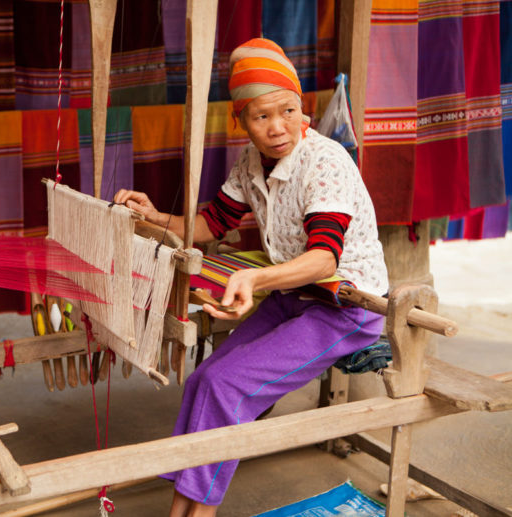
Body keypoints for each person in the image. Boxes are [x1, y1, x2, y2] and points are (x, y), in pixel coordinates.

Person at [113, 38, 388, 517]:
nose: (278, 127)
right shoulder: (249, 163)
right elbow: (207, 227)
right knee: (204, 380)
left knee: (229, 386)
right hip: (295, 297)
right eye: (261, 117)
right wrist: (157, 217)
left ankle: (196, 514)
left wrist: (253, 282)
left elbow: (325, 259)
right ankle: (182, 510)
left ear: (302, 107)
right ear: (241, 121)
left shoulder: (324, 163)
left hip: (347, 307)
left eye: (287, 110)